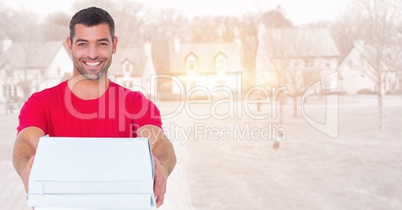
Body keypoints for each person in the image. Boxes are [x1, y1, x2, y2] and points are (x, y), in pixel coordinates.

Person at [12, 7, 176, 208]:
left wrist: (162, 166)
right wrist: (24, 166)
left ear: (114, 45)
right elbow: (26, 142)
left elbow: (160, 143)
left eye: (101, 44)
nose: (92, 54)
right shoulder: (41, 102)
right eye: (83, 44)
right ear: (70, 45)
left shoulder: (136, 103)